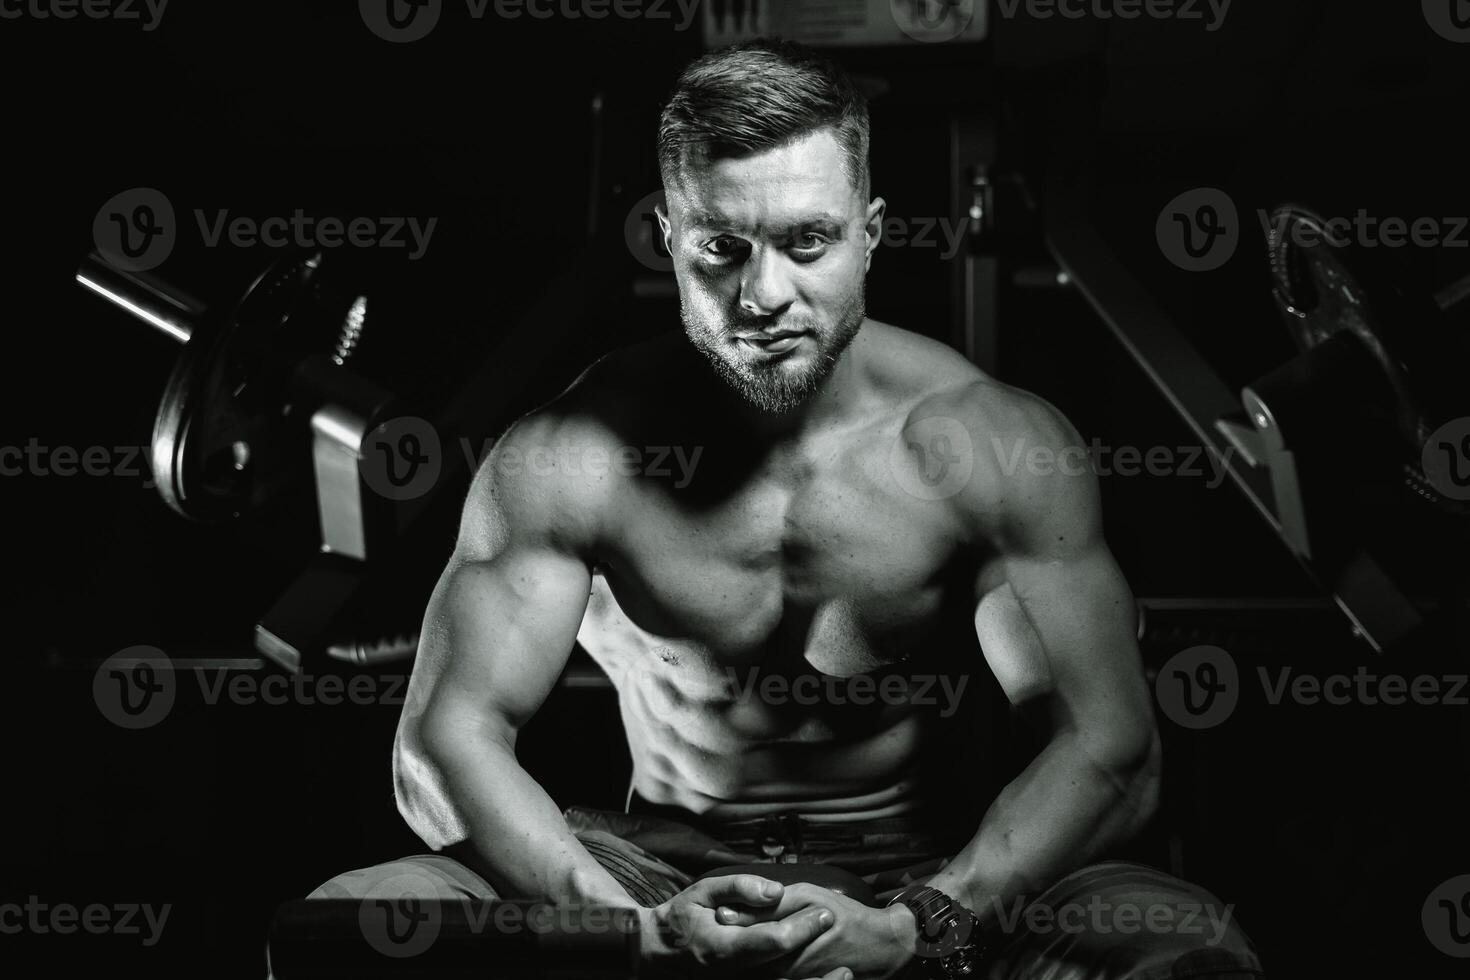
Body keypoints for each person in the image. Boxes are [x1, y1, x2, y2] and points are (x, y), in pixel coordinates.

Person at [310, 38, 1264, 980]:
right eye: (723, 248)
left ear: (872, 233)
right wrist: (623, 930)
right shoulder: (572, 459)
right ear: (669, 238)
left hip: (932, 879)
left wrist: (924, 924)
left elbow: (1111, 749)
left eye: (808, 241)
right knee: (346, 928)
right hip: (648, 874)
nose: (763, 294)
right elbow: (442, 747)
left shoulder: (987, 449)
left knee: (1187, 956)